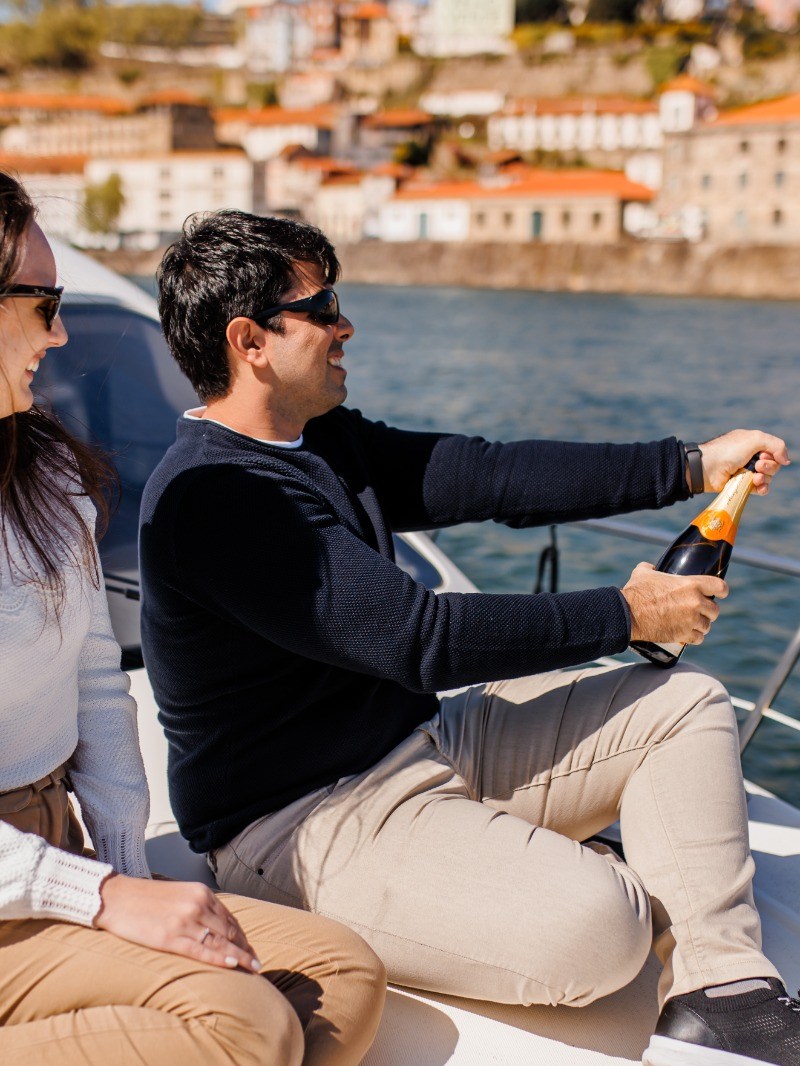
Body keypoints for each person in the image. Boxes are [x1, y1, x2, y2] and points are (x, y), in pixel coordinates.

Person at [140, 209, 799, 1066]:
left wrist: (686, 466)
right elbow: (420, 639)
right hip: (306, 821)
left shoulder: (323, 441)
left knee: (687, 704)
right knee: (603, 928)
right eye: (325, 305)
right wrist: (630, 613)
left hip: (422, 740)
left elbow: (490, 474)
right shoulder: (218, 498)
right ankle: (546, 867)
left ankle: (722, 990)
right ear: (250, 340)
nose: (347, 325)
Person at [0, 176, 386, 1066]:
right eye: (42, 303)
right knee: (245, 1021)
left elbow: (97, 675)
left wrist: (126, 873)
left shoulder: (43, 474)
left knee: (340, 972)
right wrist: (99, 902)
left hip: (50, 844)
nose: (59, 333)